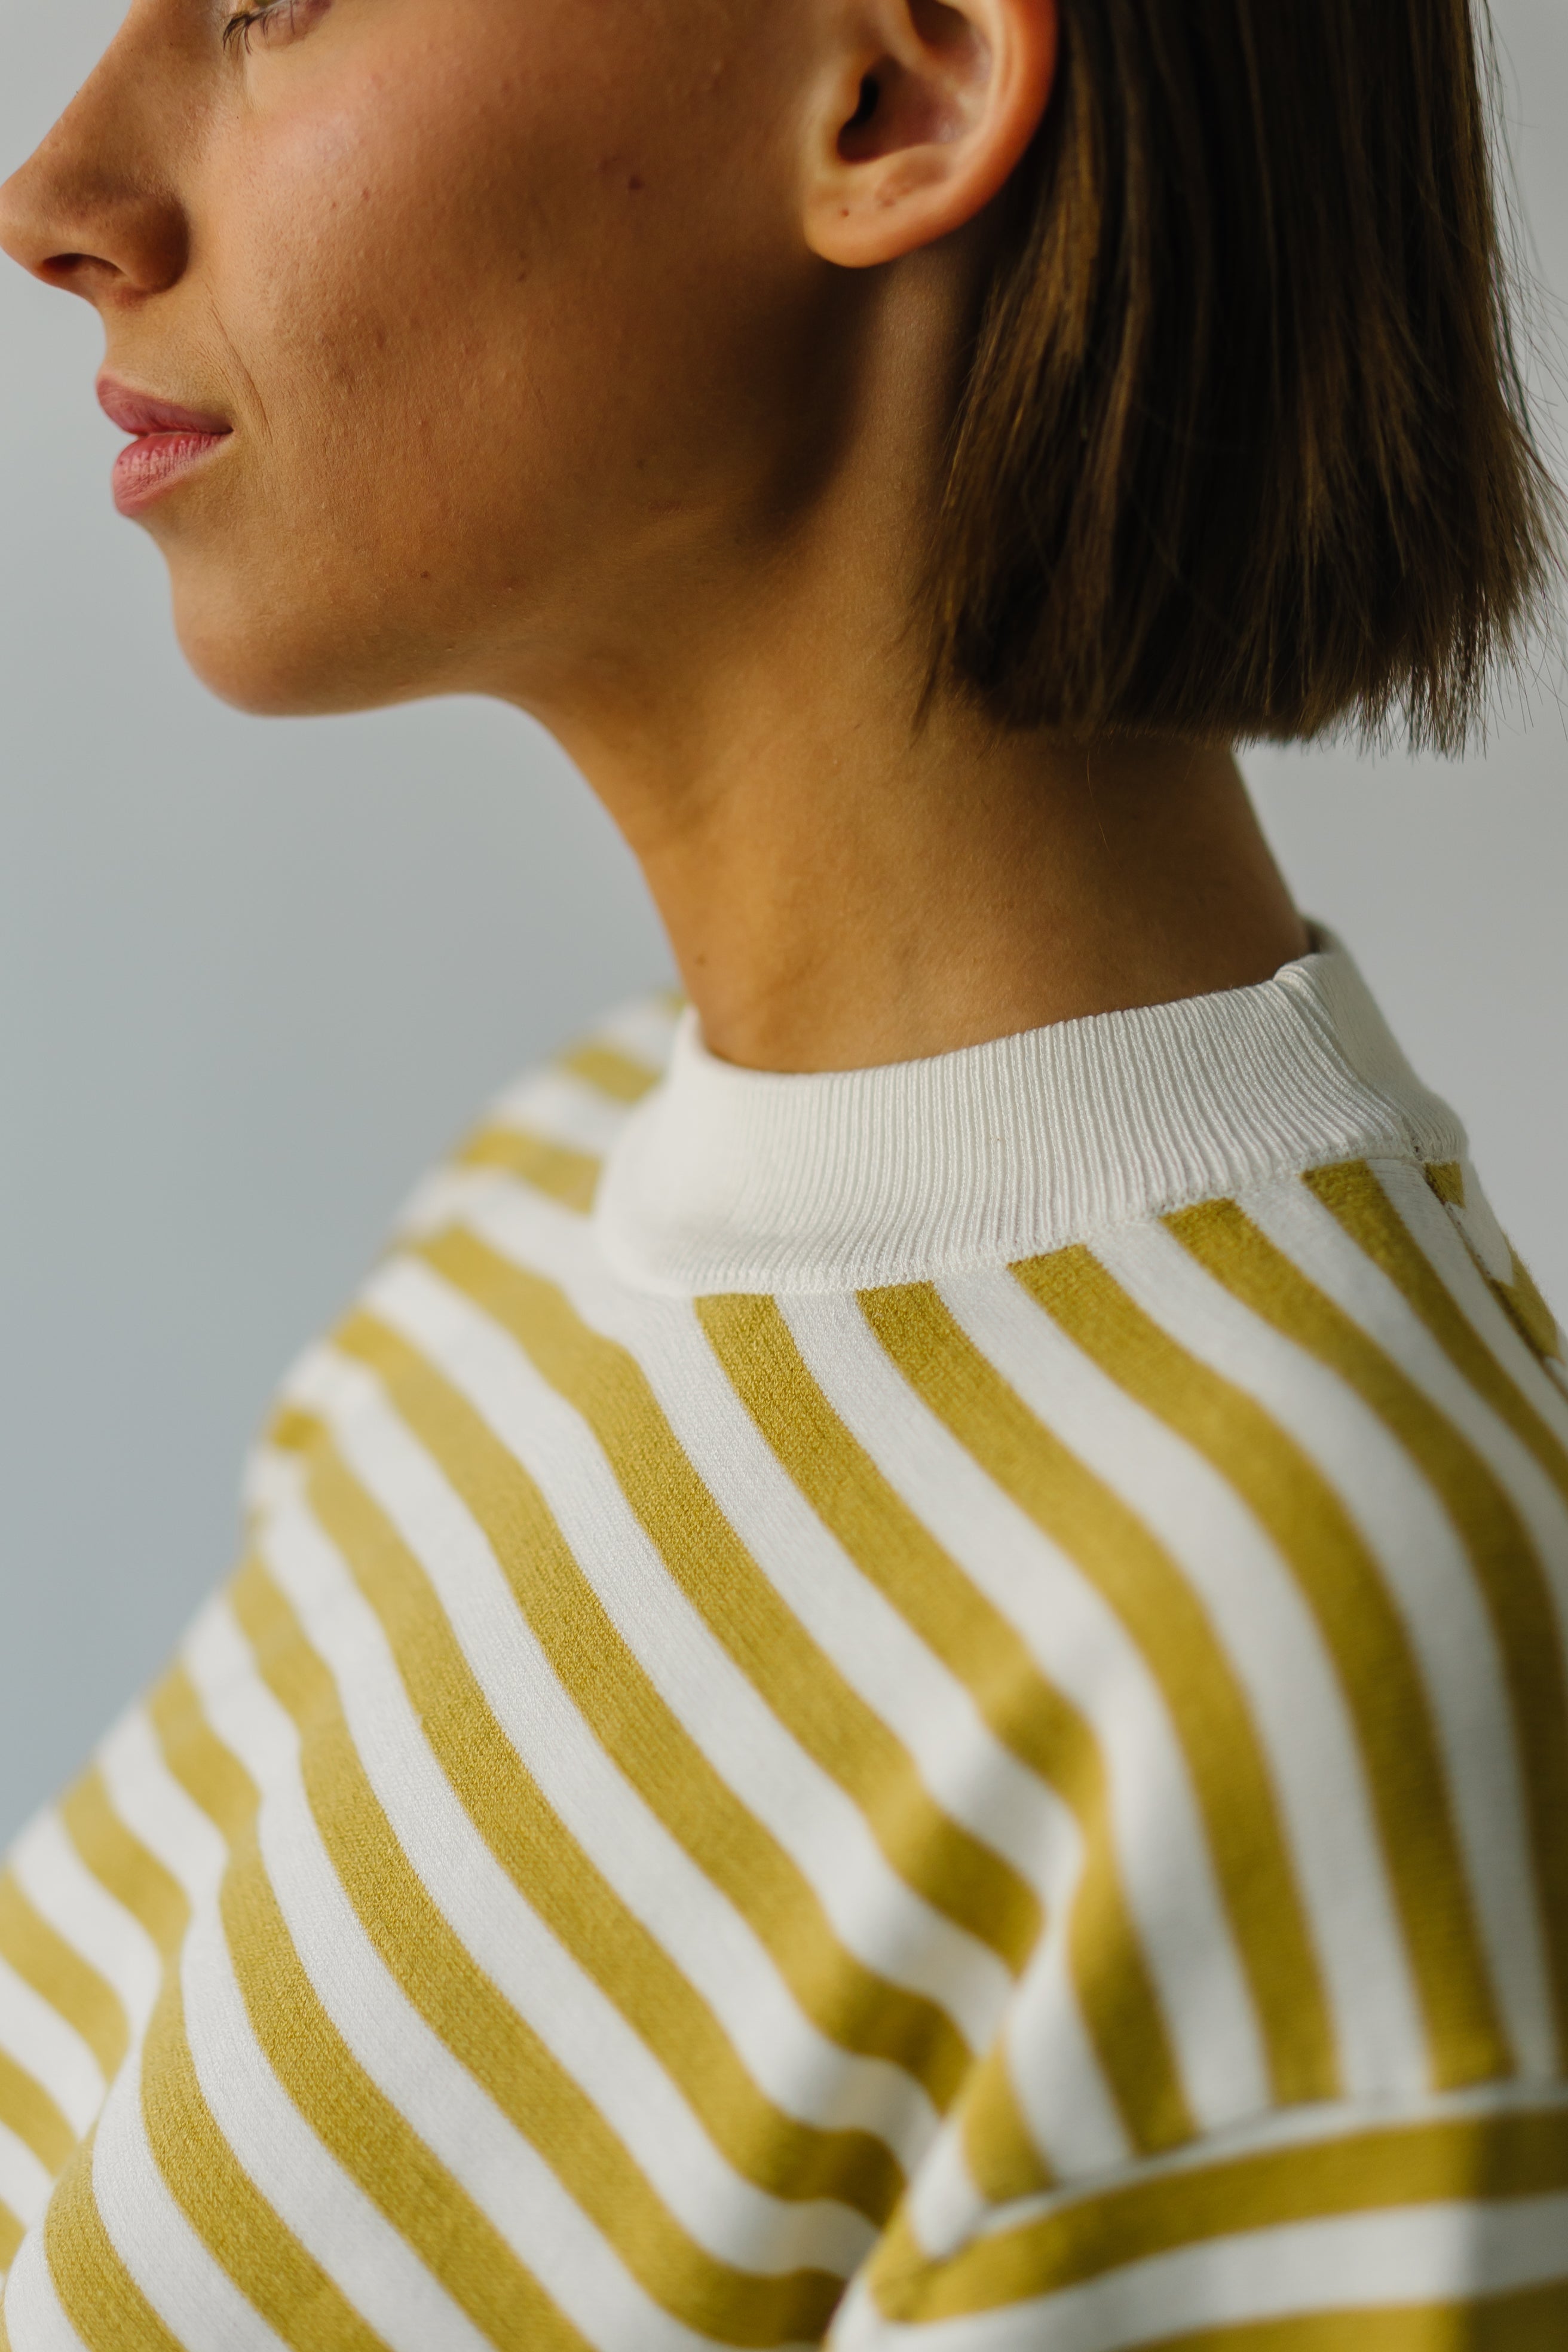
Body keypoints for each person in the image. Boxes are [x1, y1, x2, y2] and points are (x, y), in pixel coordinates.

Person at [0, 0, 1564, 2339]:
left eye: (274, 2)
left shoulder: (1283, 1668)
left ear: (899, 86)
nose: (59, 198)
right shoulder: (537, 1216)